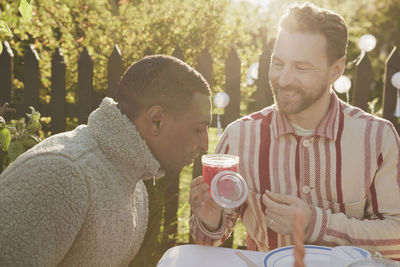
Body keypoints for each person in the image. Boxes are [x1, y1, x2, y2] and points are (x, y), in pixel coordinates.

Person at [189, 2, 400, 260]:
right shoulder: (239, 137)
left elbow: (397, 237)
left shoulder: (377, 139)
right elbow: (209, 240)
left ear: (336, 69)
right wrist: (210, 221)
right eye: (278, 63)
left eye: (301, 68)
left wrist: (316, 223)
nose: (284, 79)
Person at [0, 55, 211, 266]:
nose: (205, 145)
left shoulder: (134, 185)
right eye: (198, 129)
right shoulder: (60, 175)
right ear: (156, 120)